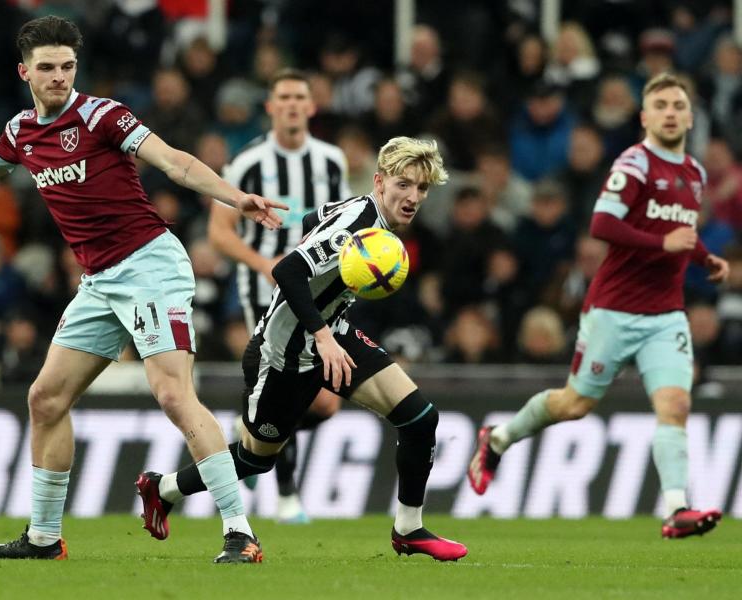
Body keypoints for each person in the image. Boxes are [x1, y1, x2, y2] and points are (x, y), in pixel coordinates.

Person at [0, 16, 286, 563]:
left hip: (149, 264)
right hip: (100, 281)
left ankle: (239, 532)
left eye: (67, 66)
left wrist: (232, 197)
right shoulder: (21, 130)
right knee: (46, 399)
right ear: (24, 70)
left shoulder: (102, 115)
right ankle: (45, 538)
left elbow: (174, 161)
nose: (58, 77)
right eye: (47, 67)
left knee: (172, 394)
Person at [137, 136, 468, 562]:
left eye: (421, 189)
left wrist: (329, 323)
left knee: (420, 419)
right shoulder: (357, 224)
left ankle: (409, 529)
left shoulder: (365, 216)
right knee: (256, 460)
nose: (413, 197)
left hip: (332, 333)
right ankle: (161, 487)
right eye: (404, 184)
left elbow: (318, 215)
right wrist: (324, 335)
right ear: (380, 182)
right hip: (284, 354)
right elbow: (287, 269)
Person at [467, 73, 730, 538]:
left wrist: (704, 258)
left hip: (666, 313)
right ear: (645, 117)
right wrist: (664, 242)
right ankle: (499, 439)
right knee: (574, 404)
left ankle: (676, 509)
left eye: (677, 105)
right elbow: (603, 223)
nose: (670, 112)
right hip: (614, 309)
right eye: (661, 105)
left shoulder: (695, 173)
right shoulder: (634, 164)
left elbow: (678, 233)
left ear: (690, 116)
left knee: (674, 403)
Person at [207, 68, 351, 524]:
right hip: (265, 291)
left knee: (325, 402)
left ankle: (244, 433)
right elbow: (219, 233)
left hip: (321, 292)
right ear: (270, 107)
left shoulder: (331, 161)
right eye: (283, 97)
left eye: (299, 97)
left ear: (312, 106)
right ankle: (287, 496)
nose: (291, 104)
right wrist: (265, 267)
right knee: (281, 383)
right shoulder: (247, 163)